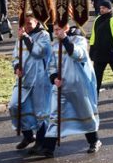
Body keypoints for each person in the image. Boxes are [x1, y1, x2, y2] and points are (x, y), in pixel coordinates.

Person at [47, 25, 102, 155]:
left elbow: (79, 55)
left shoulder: (79, 40)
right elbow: (51, 65)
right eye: (54, 29)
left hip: (78, 85)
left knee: (85, 113)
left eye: (58, 29)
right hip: (61, 86)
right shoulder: (55, 45)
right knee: (55, 115)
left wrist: (65, 39)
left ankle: (94, 140)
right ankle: (48, 148)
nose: (55, 32)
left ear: (65, 27)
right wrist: (54, 78)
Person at [8, 13, 55, 152]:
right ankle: (28, 135)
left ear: (36, 23)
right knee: (15, 106)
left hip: (40, 79)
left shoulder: (44, 35)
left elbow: (40, 52)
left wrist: (26, 38)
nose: (27, 26)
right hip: (24, 79)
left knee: (41, 113)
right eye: (25, 23)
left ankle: (40, 142)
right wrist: (17, 67)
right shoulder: (21, 36)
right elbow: (16, 55)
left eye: (30, 23)